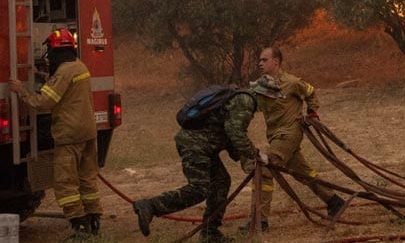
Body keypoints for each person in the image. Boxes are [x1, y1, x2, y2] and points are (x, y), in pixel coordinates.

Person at [132, 82, 274, 242]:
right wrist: (254, 154)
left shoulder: (240, 99)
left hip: (204, 146)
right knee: (199, 189)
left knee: (221, 182)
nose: (271, 105)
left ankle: (210, 233)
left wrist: (246, 159)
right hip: (195, 144)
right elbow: (236, 133)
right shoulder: (246, 101)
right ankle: (151, 206)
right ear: (264, 96)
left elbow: (227, 134)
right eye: (271, 100)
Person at [8, 29, 101, 239]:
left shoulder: (64, 72)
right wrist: (46, 77)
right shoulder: (79, 66)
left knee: (65, 183)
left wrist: (21, 91)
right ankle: (94, 220)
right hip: (88, 132)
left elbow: (44, 102)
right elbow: (65, 86)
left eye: (50, 53)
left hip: (69, 136)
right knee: (87, 180)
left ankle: (79, 226)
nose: (49, 58)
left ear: (56, 52)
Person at [249, 46, 345, 232]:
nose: (260, 63)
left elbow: (310, 92)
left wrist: (312, 111)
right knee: (303, 172)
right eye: (259, 60)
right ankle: (334, 201)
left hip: (289, 134)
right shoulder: (262, 86)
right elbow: (253, 106)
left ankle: (260, 221)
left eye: (264, 60)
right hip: (275, 136)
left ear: (276, 61)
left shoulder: (292, 82)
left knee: (265, 169)